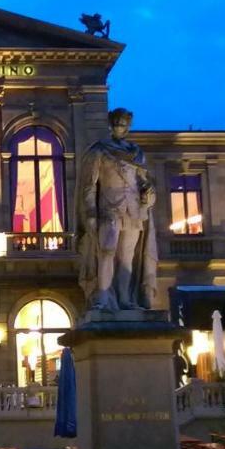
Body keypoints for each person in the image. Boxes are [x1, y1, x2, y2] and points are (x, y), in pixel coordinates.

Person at [76, 108, 159, 312]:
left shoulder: (137, 154)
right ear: (110, 125)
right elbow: (89, 186)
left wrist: (149, 194)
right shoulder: (99, 151)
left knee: (126, 256)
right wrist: (90, 214)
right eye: (117, 124)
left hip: (133, 210)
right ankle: (102, 297)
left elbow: (145, 183)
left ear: (128, 127)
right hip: (108, 210)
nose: (120, 128)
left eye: (124, 125)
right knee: (106, 251)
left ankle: (124, 299)